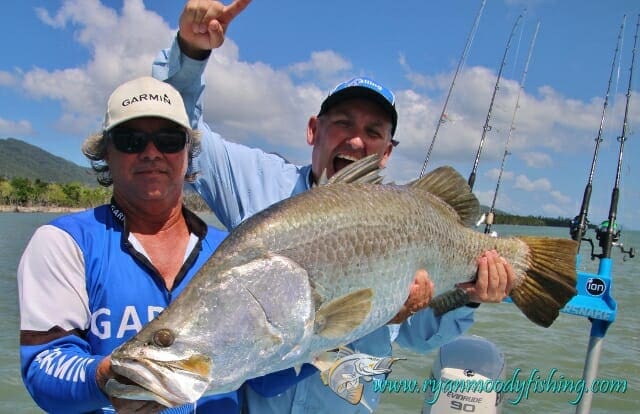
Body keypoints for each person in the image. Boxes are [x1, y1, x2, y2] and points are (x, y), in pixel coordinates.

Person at [152, 1, 516, 412]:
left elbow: (422, 337)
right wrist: (191, 51)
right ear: (314, 130)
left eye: (373, 132)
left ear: (387, 153)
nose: (356, 141)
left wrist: (470, 296)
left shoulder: (413, 215)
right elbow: (176, 130)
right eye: (343, 122)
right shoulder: (260, 184)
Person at [16, 76, 305, 413]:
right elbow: (43, 367)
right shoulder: (65, 243)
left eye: (168, 140)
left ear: (188, 153)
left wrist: (331, 337)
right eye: (130, 140)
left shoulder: (234, 252)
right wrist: (105, 380)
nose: (151, 153)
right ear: (105, 153)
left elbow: (261, 378)